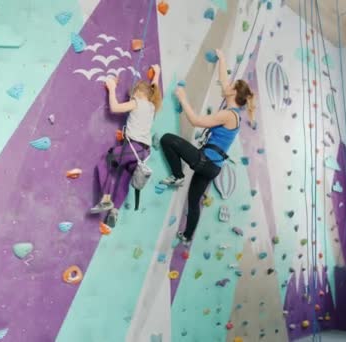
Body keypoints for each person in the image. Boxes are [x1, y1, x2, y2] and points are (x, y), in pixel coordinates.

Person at [159, 49, 255, 245]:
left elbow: (195, 121)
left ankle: (177, 175)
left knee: (168, 139)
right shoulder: (233, 112)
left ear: (234, 92)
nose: (226, 85)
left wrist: (182, 98)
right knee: (193, 202)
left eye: (231, 85)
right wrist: (222, 58)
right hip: (213, 167)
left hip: (206, 161)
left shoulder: (228, 115)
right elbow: (223, 80)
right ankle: (187, 237)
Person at [90, 65, 162, 227]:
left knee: (106, 160)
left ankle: (106, 199)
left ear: (138, 92)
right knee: (124, 179)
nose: (131, 97)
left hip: (133, 148)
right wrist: (156, 73)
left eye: (132, 94)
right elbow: (154, 88)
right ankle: (114, 211)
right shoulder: (151, 106)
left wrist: (112, 88)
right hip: (143, 153)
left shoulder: (137, 102)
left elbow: (115, 108)